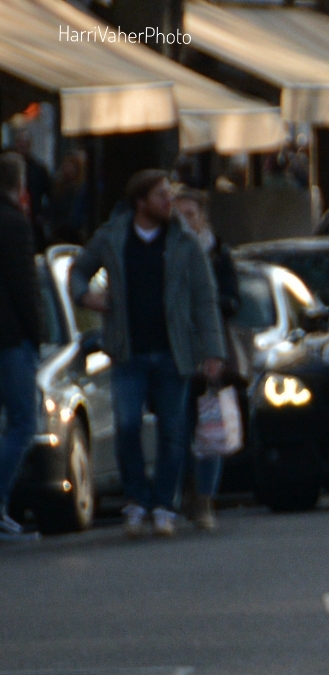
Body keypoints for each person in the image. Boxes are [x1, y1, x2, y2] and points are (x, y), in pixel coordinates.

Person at [71, 169, 226, 540]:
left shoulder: (184, 242)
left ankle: (164, 506)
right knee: (126, 427)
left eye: (169, 195)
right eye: (161, 196)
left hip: (173, 352)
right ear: (141, 203)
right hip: (129, 352)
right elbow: (79, 269)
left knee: (173, 433)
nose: (168, 202)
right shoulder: (113, 236)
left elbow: (205, 299)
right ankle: (137, 502)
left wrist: (213, 350)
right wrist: (85, 295)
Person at [171, 187, 240, 533]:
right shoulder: (164, 251)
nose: (185, 220)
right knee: (179, 428)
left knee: (211, 426)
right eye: (178, 213)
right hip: (177, 351)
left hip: (210, 348)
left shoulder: (217, 252)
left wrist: (209, 301)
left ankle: (205, 500)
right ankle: (184, 490)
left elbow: (233, 299)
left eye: (190, 213)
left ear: (202, 218)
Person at [0, 152, 42, 543]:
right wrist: (37, 332)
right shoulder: (14, 223)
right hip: (10, 339)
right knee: (23, 422)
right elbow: (23, 286)